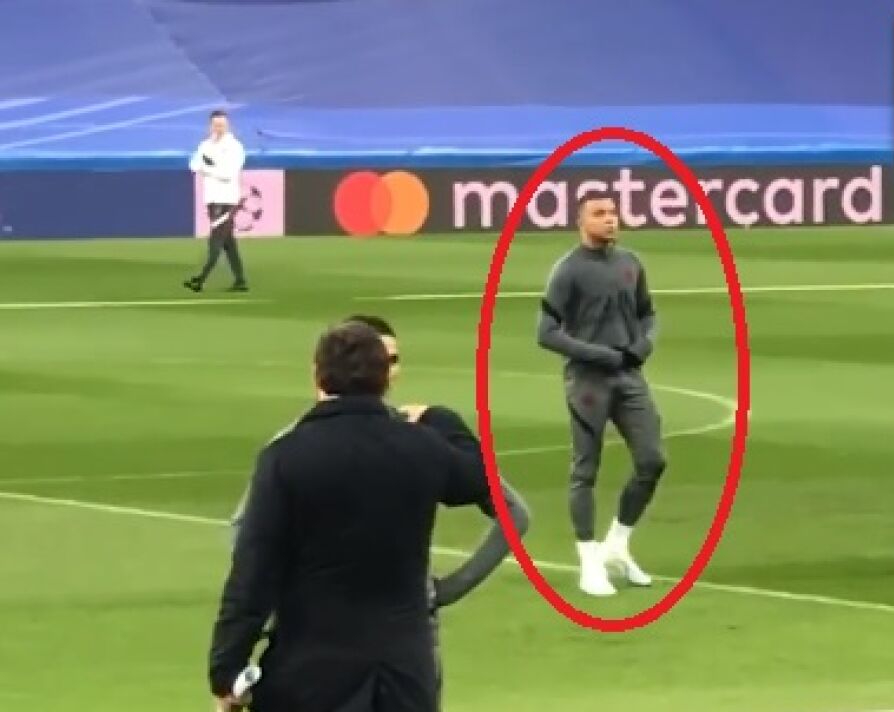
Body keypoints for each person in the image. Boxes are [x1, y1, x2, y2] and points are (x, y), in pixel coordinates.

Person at [227, 313, 532, 707]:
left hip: (337, 646)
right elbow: (246, 532)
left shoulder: (296, 447)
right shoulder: (421, 442)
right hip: (381, 643)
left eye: (394, 359)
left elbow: (513, 511)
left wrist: (450, 588)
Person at [536, 193, 666, 597]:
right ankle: (589, 562)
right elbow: (546, 333)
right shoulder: (568, 270)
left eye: (613, 213)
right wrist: (601, 354)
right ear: (581, 222)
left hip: (629, 377)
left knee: (652, 459)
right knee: (585, 470)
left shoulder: (631, 263)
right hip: (587, 382)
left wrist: (643, 345)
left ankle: (617, 545)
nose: (610, 219)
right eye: (600, 214)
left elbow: (648, 313)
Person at [185, 108, 248, 293]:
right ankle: (240, 280)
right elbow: (193, 164)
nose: (218, 128)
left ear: (228, 125)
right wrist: (209, 167)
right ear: (210, 125)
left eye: (222, 125)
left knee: (216, 240)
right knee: (228, 242)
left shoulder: (235, 147)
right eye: (216, 125)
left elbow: (228, 174)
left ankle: (200, 279)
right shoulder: (205, 145)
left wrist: (207, 168)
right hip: (212, 198)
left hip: (227, 199)